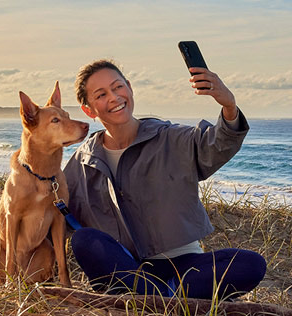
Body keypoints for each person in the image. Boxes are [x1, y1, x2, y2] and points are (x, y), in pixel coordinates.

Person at [63, 59, 266, 299]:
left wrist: (229, 105)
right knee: (85, 240)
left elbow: (217, 144)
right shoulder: (83, 160)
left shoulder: (170, 138)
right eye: (101, 94)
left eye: (118, 87)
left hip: (185, 265)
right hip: (128, 267)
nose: (114, 97)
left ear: (129, 87)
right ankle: (172, 297)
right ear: (88, 109)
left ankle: (155, 297)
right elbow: (57, 212)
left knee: (251, 264)